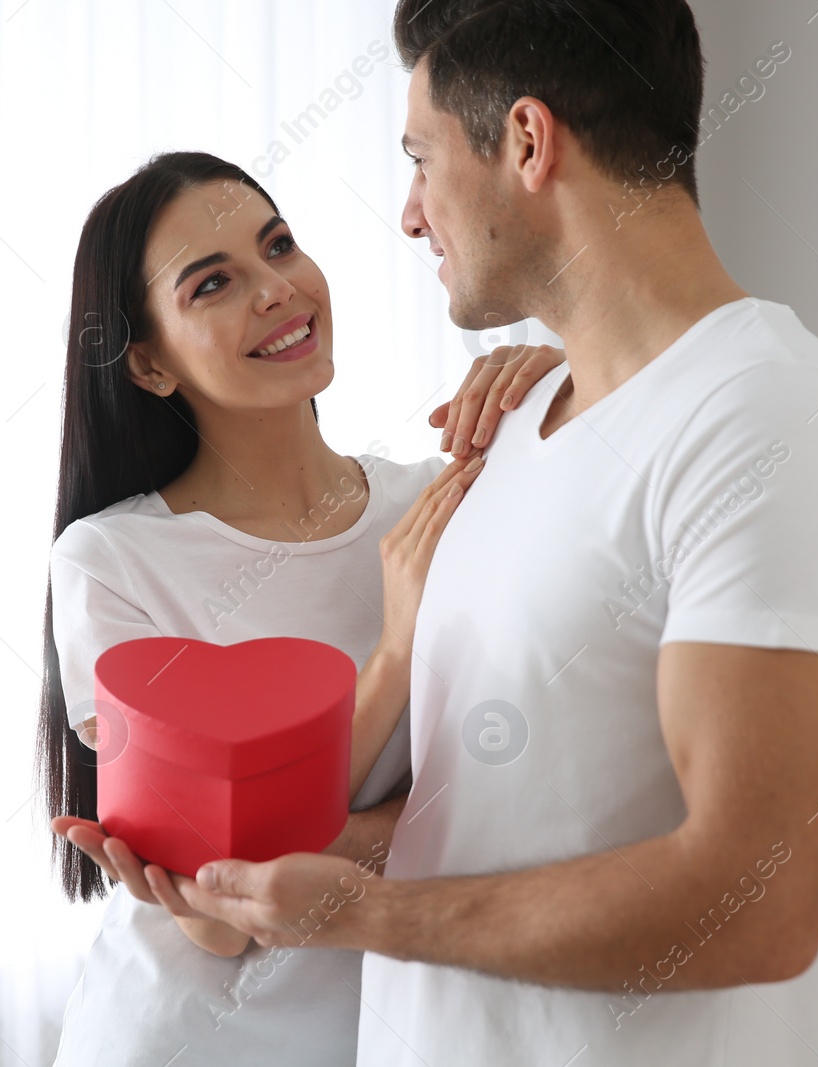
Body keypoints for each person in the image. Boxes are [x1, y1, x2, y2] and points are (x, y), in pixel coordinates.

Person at [143, 3, 818, 1066]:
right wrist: (259, 866)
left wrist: (368, 913)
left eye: (420, 158)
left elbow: (755, 898)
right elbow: (494, 812)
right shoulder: (512, 424)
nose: (409, 214)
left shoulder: (768, 418)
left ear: (525, 141)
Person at [37, 150, 560, 1065]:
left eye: (278, 246)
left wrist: (559, 386)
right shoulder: (112, 562)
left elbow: (524, 796)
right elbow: (221, 925)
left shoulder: (443, 500)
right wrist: (395, 656)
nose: (277, 289)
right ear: (150, 363)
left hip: (394, 1035)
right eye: (214, 283)